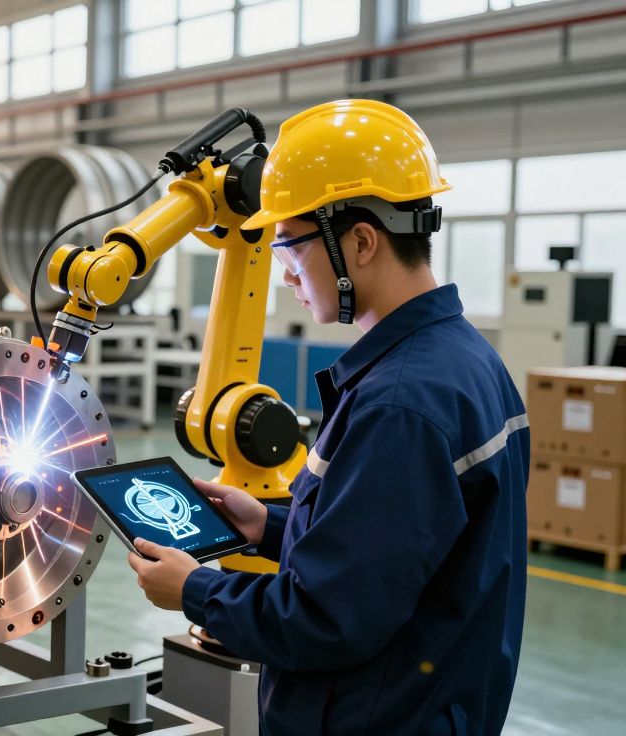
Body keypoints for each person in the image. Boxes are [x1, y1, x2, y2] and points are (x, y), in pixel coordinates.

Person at [126, 99, 529, 735]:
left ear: (361, 242)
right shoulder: (469, 361)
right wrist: (270, 526)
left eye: (289, 245)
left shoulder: (400, 404)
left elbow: (328, 619)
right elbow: (396, 550)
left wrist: (195, 590)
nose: (285, 272)